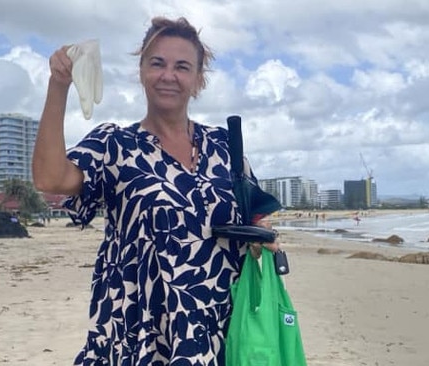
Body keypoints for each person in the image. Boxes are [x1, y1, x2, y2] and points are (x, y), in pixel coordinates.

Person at [32, 16, 278, 365]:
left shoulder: (226, 147)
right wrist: (59, 86)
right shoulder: (115, 145)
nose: (168, 76)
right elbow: (49, 178)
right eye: (157, 63)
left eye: (182, 67)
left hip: (217, 325)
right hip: (135, 328)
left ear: (197, 79)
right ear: (142, 72)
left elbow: (255, 215)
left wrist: (263, 233)